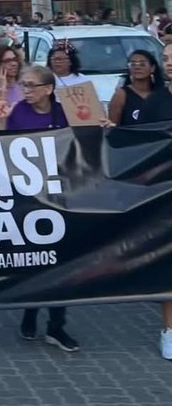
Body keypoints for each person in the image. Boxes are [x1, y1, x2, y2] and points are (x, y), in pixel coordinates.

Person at [0, 65, 79, 351]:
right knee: (34, 260)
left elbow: (84, 141)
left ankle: (57, 325)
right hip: (29, 199)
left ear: (48, 89)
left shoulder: (64, 111)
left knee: (63, 262)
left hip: (61, 197)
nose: (26, 90)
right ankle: (31, 310)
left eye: (31, 85)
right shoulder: (18, 112)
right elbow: (4, 149)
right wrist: (3, 124)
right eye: (23, 85)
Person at [137, 42, 172, 360]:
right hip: (165, 195)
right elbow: (136, 142)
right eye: (165, 58)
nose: (169, 63)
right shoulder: (155, 101)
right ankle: (170, 331)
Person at [108, 50, 163, 126]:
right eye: (133, 64)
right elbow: (112, 126)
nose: (137, 67)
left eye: (142, 64)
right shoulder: (121, 94)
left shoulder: (162, 93)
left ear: (152, 68)